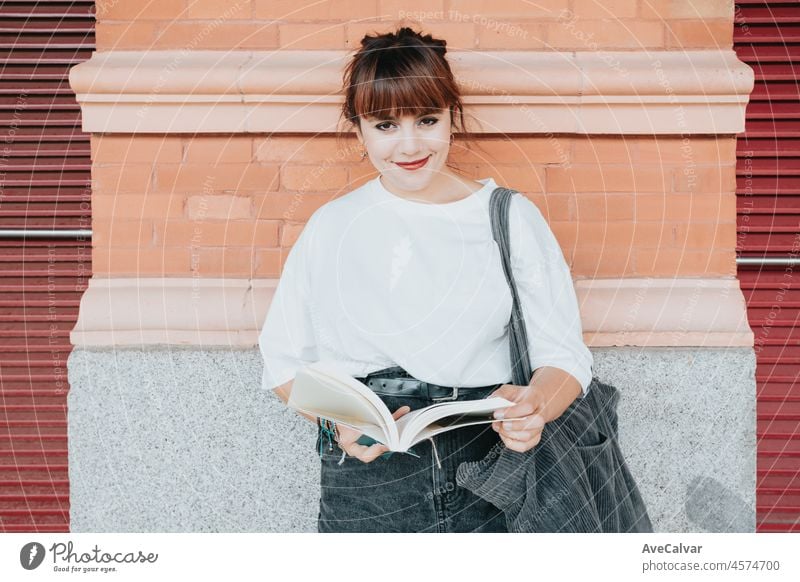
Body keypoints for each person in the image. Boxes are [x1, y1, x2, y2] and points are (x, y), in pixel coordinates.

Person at [258, 26, 594, 533]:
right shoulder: (334, 224)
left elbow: (564, 356)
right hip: (371, 471)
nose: (409, 145)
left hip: (489, 457)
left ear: (452, 120)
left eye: (427, 120)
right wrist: (336, 422)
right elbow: (283, 359)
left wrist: (535, 407)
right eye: (385, 125)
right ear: (359, 130)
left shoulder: (507, 216)